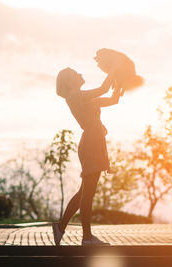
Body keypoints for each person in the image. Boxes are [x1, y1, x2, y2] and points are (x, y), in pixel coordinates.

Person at [52, 67, 120, 246]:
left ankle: (60, 228)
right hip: (91, 144)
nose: (81, 74)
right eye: (77, 73)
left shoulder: (85, 98)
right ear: (69, 81)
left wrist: (119, 84)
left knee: (84, 192)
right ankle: (87, 238)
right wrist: (114, 68)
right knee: (88, 194)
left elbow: (113, 99)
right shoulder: (74, 96)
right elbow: (103, 89)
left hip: (94, 143)